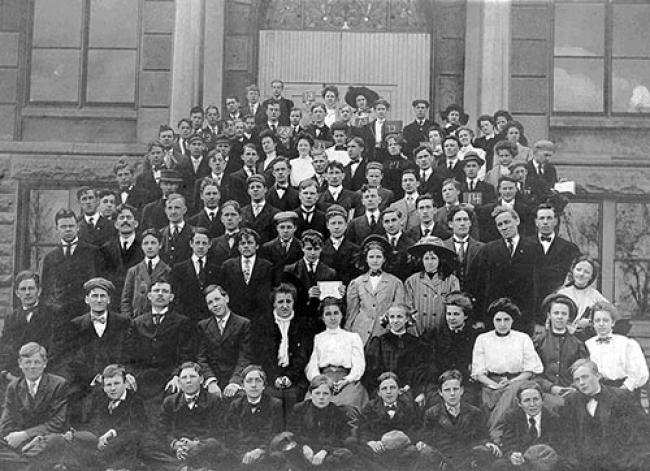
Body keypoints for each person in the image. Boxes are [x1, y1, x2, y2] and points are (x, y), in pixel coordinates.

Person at [471, 298, 544, 435]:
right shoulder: (483, 339)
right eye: (498, 320)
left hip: (517, 381)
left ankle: (493, 432)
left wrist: (511, 382)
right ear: (492, 320)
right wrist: (495, 385)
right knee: (492, 400)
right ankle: (497, 432)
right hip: (491, 384)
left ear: (513, 320)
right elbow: (478, 372)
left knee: (514, 390)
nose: (502, 324)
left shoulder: (523, 338)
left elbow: (530, 370)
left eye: (507, 319)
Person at [563, 359, 650, 470]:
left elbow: (642, 430)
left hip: (618, 463)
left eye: (585, 377)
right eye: (577, 380)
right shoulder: (572, 402)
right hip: (584, 464)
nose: (581, 383)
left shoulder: (621, 397)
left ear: (598, 376)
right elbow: (567, 437)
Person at [66, 277, 130, 422]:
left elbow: (129, 353)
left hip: (116, 380)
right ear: (87, 299)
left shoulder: (123, 323)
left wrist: (120, 375)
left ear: (109, 300)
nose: (99, 300)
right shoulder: (76, 325)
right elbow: (73, 359)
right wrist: (94, 377)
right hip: (87, 382)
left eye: (103, 296)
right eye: (94, 296)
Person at [125, 278, 194, 410]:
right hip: (141, 378)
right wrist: (129, 374)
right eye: (156, 291)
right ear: (149, 296)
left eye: (165, 291)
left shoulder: (182, 322)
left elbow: (186, 355)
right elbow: (128, 354)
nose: (160, 294)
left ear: (171, 297)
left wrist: (177, 375)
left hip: (169, 378)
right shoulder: (137, 323)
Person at [470, 206, 540, 334]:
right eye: (499, 224)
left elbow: (540, 284)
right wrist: (479, 317)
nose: (504, 227)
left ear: (517, 220)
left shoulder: (534, 248)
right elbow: (478, 285)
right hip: (495, 316)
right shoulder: (488, 250)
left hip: (524, 316)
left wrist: (537, 319)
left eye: (507, 222)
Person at [0, 343, 68, 471]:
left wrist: (25, 435)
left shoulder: (58, 384)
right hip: (20, 444)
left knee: (56, 440)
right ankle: (29, 465)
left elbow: (57, 423)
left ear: (45, 363)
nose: (32, 367)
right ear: (20, 363)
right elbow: (6, 422)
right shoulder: (13, 387)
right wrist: (14, 438)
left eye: (37, 362)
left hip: (44, 439)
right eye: (28, 362)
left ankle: (21, 464)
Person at [68, 364, 148, 471]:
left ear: (125, 383)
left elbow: (138, 427)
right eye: (108, 385)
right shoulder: (101, 400)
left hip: (124, 447)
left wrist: (113, 432)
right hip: (100, 445)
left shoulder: (135, 401)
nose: (113, 388)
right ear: (104, 387)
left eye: (117, 383)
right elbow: (94, 423)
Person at [151, 362, 227, 470]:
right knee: (147, 449)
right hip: (179, 450)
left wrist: (196, 444)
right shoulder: (170, 402)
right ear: (179, 382)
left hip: (202, 447)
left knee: (219, 449)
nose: (188, 381)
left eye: (192, 377)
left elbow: (218, 431)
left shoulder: (213, 400)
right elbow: (161, 430)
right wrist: (175, 444)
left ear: (201, 379)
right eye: (184, 378)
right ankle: (184, 469)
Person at [419, 370, 493, 469]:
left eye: (455, 389)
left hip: (467, 460)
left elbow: (483, 436)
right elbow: (428, 440)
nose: (452, 393)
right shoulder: (431, 414)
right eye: (447, 390)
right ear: (440, 392)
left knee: (484, 451)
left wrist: (487, 443)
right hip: (443, 461)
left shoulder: (475, 412)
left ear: (461, 390)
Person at [41, 208, 100, 331]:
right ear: (57, 229)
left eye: (71, 226)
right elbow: (46, 289)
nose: (68, 229)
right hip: (58, 316)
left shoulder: (92, 252)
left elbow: (98, 283)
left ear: (77, 227)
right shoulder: (50, 257)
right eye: (63, 226)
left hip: (84, 315)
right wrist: (52, 307)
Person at [306, 297, 369, 411]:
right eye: (328, 314)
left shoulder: (353, 337)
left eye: (336, 313)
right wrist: (320, 381)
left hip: (346, 381)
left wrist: (346, 380)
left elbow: (359, 364)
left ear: (341, 315)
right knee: (312, 404)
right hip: (322, 380)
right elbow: (312, 365)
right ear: (322, 317)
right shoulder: (317, 338)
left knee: (350, 403)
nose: (333, 317)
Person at [285, 375, 357, 470]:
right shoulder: (300, 408)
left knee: (344, 455)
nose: (321, 397)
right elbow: (292, 432)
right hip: (305, 450)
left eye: (326, 394)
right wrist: (303, 446)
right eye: (317, 393)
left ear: (331, 395)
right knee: (287, 450)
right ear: (311, 394)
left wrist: (325, 451)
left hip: (328, 451)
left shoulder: (339, 412)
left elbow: (341, 437)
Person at [258, 284, 311, 409]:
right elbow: (263, 355)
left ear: (294, 303)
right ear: (274, 304)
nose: (285, 306)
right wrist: (275, 377)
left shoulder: (302, 324)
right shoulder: (264, 323)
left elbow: (302, 356)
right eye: (280, 302)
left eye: (289, 301)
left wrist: (289, 377)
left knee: (293, 398)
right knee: (270, 399)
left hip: (296, 376)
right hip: (270, 374)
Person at [357, 372, 425, 470]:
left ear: (399, 390)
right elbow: (363, 428)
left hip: (402, 449)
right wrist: (370, 442)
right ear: (379, 393)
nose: (389, 392)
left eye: (392, 388)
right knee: (364, 452)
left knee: (413, 451)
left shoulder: (408, 406)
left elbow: (416, 428)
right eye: (384, 389)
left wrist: (408, 439)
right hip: (380, 449)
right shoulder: (371, 407)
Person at [346, 235, 405, 345]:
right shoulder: (357, 283)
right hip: (360, 333)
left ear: (384, 259)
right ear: (366, 259)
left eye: (378, 257)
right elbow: (351, 313)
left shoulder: (395, 283)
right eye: (371, 257)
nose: (375, 260)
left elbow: (398, 310)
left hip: (384, 333)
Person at [363, 304, 428, 403]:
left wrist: (408, 386)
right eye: (392, 317)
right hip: (384, 390)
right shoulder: (379, 342)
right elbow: (371, 371)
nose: (395, 321)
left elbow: (418, 370)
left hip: (408, 390)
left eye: (399, 317)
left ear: (407, 319)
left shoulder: (416, 343)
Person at [196, 285, 252, 399]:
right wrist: (211, 381)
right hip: (213, 379)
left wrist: (234, 382)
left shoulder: (243, 324)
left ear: (226, 298)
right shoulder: (203, 326)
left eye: (217, 299)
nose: (215, 305)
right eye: (210, 302)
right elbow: (201, 357)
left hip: (235, 378)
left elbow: (245, 357)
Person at [224, 365, 284, 469]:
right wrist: (244, 454)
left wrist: (260, 450)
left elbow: (275, 433)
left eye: (258, 381)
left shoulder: (275, 404)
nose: (253, 385)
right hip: (241, 454)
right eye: (249, 381)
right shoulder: (236, 405)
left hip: (265, 453)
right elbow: (231, 434)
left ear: (264, 385)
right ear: (242, 386)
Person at [495, 382, 565, 469]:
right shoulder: (512, 417)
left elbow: (558, 444)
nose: (532, 404)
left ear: (542, 400)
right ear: (519, 403)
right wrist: (512, 455)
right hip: (522, 460)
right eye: (527, 400)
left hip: (546, 461)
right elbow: (507, 443)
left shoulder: (553, 418)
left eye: (536, 399)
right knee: (499, 465)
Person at [534, 294, 588, 406]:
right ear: (549, 315)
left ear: (569, 317)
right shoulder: (538, 342)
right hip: (543, 393)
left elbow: (583, 371)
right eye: (556, 313)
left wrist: (572, 388)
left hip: (571, 393)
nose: (560, 317)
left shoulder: (578, 345)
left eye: (564, 314)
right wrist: (551, 387)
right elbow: (533, 373)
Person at [585, 301, 648, 392]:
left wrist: (623, 389)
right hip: (597, 391)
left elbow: (639, 373)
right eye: (597, 320)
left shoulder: (626, 344)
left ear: (613, 322)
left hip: (623, 390)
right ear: (593, 323)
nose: (601, 324)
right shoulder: (588, 345)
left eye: (605, 320)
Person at [0, 271, 53, 379]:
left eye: (31, 288)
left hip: (45, 373)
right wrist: (7, 373)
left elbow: (55, 347)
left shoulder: (52, 313)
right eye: (23, 289)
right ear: (17, 293)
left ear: (39, 291)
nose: (27, 293)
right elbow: (6, 347)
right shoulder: (11, 318)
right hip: (16, 375)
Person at [404, 236, 460, 336]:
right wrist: (413, 331)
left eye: (433, 258)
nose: (429, 262)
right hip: (418, 332)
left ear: (440, 260)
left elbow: (455, 307)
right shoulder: (412, 281)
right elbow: (408, 308)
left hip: (443, 333)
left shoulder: (451, 280)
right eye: (426, 258)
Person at [219, 228, 274, 327]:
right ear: (238, 247)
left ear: (257, 246)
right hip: (235, 318)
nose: (246, 246)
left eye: (250, 243)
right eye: (242, 243)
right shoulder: (227, 266)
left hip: (259, 319)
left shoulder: (267, 267)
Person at [532, 203, 580, 304]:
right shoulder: (524, 245)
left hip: (558, 301)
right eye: (542, 218)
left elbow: (574, 277)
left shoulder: (569, 248)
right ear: (536, 222)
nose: (545, 222)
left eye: (549, 218)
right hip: (530, 302)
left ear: (555, 221)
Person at [170, 227, 219, 323]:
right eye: (197, 243)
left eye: (204, 243)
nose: (201, 246)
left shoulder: (217, 269)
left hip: (209, 319)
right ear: (191, 244)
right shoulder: (179, 269)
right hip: (186, 318)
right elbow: (176, 297)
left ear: (209, 245)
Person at [121, 228, 172, 318]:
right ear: (141, 246)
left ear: (160, 245)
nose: (149, 247)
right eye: (146, 243)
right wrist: (128, 320)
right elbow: (126, 300)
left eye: (153, 243)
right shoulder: (133, 271)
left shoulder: (168, 271)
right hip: (137, 319)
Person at [99, 203, 144, 305]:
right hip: (114, 298)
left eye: (129, 217)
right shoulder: (106, 248)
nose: (125, 221)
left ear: (136, 223)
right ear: (116, 224)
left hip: (137, 298)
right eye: (121, 218)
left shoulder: (143, 246)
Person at [556, 256, 609, 339]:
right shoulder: (562, 294)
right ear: (573, 271)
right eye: (578, 270)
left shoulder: (595, 296)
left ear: (591, 276)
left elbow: (608, 315)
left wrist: (590, 322)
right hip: (564, 338)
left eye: (586, 272)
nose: (581, 274)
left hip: (586, 338)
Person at [443, 205, 484, 291]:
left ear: (470, 223)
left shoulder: (482, 248)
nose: (462, 223)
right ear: (450, 224)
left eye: (465, 219)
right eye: (458, 220)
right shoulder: (442, 246)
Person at [321, 205, 360, 285]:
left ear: (346, 225)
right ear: (327, 225)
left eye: (340, 223)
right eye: (333, 223)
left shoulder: (355, 249)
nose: (336, 227)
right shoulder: (321, 248)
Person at [241, 174, 280, 244]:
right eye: (252, 187)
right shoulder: (242, 212)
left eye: (258, 187)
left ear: (265, 189)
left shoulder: (275, 213)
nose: (255, 189)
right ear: (248, 191)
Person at [209, 199, 243, 266]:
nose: (229, 218)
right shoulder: (214, 243)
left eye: (233, 214)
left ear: (240, 218)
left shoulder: (246, 240)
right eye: (226, 215)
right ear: (221, 219)